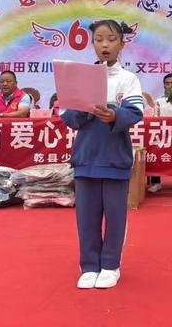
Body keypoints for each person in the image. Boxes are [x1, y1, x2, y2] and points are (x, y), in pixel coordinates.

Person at [60, 19, 144, 290]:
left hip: (115, 158)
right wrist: (84, 109)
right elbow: (69, 118)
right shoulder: (79, 76)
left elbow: (135, 113)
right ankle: (89, 265)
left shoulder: (128, 79)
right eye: (99, 39)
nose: (105, 44)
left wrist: (114, 115)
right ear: (92, 43)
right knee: (86, 217)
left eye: (111, 39)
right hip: (86, 158)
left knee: (116, 216)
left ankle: (110, 265)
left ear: (122, 43)